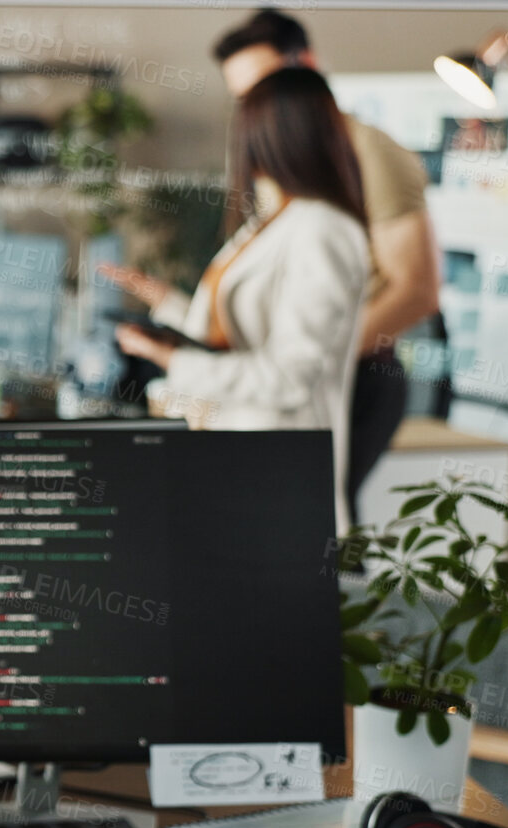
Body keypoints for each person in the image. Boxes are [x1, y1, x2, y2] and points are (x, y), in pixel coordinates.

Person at [111, 9, 440, 514]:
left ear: (301, 73)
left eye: (263, 92)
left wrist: (322, 353)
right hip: (269, 402)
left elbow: (414, 290)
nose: (253, 111)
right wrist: (172, 309)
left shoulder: (365, 166)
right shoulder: (283, 205)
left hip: (349, 376)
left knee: (316, 543)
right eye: (243, 99)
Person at [111, 67, 371, 530]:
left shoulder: (323, 230)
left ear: (269, 138)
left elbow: (288, 378)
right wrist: (165, 304)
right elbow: (231, 335)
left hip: (275, 475)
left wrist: (170, 359)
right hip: (232, 460)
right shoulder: (274, 221)